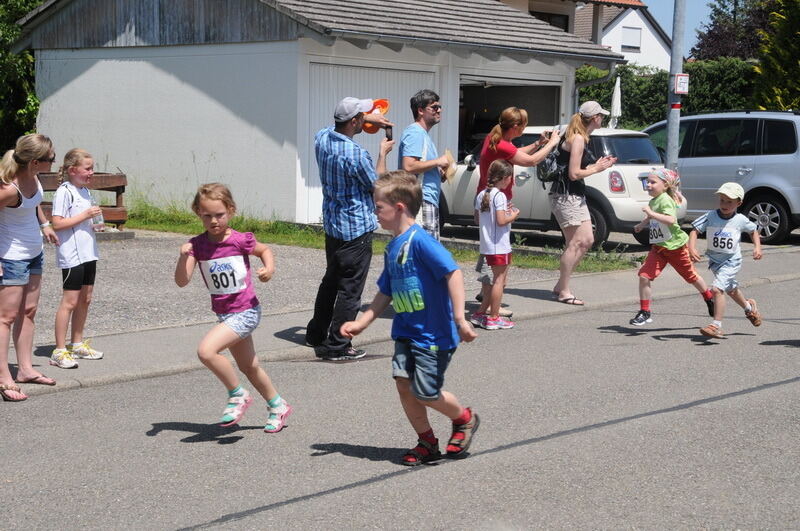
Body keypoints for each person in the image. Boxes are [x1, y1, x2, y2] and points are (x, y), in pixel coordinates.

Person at [340, 170, 479, 466]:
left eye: (378, 207)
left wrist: (460, 318)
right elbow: (385, 291)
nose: (374, 213)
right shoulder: (393, 246)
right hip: (406, 332)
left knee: (425, 392)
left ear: (399, 207)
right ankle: (427, 442)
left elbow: (453, 272)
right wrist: (363, 322)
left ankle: (464, 419)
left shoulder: (420, 241)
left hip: (432, 335)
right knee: (404, 384)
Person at [175, 183, 291, 432]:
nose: (214, 221)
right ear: (198, 213)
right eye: (207, 216)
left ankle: (237, 395)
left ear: (230, 211)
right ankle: (277, 405)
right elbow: (182, 281)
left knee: (207, 352)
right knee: (249, 366)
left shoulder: (239, 240)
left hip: (246, 311)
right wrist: (184, 256)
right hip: (225, 314)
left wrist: (268, 268)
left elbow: (264, 250)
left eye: (219, 215)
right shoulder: (197, 245)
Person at [305, 97, 394, 361]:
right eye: (363, 116)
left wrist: (367, 118)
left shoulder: (322, 138)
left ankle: (316, 334)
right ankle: (338, 346)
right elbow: (376, 186)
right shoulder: (356, 154)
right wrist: (382, 154)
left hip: (333, 224)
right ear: (355, 121)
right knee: (350, 290)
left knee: (330, 282)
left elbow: (336, 125)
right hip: (355, 228)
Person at [474, 107, 561, 314]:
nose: (525, 127)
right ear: (515, 126)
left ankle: (488, 299)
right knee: (496, 256)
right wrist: (552, 144)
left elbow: (518, 153)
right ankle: (491, 304)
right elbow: (530, 161)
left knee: (492, 252)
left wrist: (539, 143)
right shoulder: (501, 144)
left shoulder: (495, 138)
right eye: (524, 124)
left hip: (488, 198)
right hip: (494, 200)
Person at [0, 134, 60, 402]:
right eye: (51, 159)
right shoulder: (9, 188)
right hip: (10, 257)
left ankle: (25, 369)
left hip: (34, 253)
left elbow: (34, 205)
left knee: (29, 311)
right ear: (35, 161)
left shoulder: (34, 178)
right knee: (6, 317)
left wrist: (45, 224)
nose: (54, 162)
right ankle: (4, 378)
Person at [550, 101, 617, 306]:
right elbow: (574, 173)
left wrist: (597, 165)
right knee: (577, 243)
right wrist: (597, 169)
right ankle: (564, 290)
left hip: (573, 195)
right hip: (566, 195)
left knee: (586, 240)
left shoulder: (580, 136)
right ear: (594, 118)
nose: (602, 119)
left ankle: (561, 285)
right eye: (601, 116)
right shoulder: (578, 138)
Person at [630, 169, 715, 326]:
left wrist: (651, 214)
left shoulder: (665, 200)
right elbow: (651, 216)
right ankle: (645, 311)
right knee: (644, 276)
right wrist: (642, 224)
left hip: (676, 247)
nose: (648, 185)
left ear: (665, 185)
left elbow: (670, 219)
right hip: (659, 248)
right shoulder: (654, 201)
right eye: (647, 182)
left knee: (691, 277)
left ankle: (709, 298)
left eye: (653, 182)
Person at [50, 149, 104, 369]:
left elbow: (85, 221)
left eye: (92, 168)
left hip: (88, 251)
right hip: (71, 254)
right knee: (70, 301)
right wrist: (85, 216)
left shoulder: (85, 191)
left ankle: (77, 343)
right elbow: (58, 223)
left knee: (86, 298)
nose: (91, 172)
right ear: (73, 170)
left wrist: (96, 224)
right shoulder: (65, 191)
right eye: (87, 168)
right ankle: (59, 350)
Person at [688, 182, 763, 339]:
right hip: (715, 262)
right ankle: (750, 308)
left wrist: (757, 247)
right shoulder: (711, 216)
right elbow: (694, 230)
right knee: (731, 290)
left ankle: (716, 325)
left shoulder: (740, 219)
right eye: (722, 200)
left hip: (731, 261)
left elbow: (753, 230)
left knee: (717, 289)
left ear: (739, 203)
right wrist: (692, 248)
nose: (725, 204)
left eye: (729, 201)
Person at [470, 160, 518, 330]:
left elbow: (478, 219)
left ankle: (481, 314)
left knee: (492, 281)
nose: (510, 181)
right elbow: (501, 220)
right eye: (510, 178)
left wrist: (504, 211)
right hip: (499, 245)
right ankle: (494, 317)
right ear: (504, 178)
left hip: (487, 244)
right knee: (499, 281)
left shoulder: (482, 194)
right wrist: (513, 215)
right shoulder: (500, 196)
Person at [399, 89, 450, 240]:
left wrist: (437, 171)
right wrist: (438, 161)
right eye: (434, 107)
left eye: (439, 107)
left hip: (426, 199)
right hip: (421, 200)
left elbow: (418, 166)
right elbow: (408, 166)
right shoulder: (415, 133)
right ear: (420, 110)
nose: (439, 110)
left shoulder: (423, 134)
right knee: (425, 251)